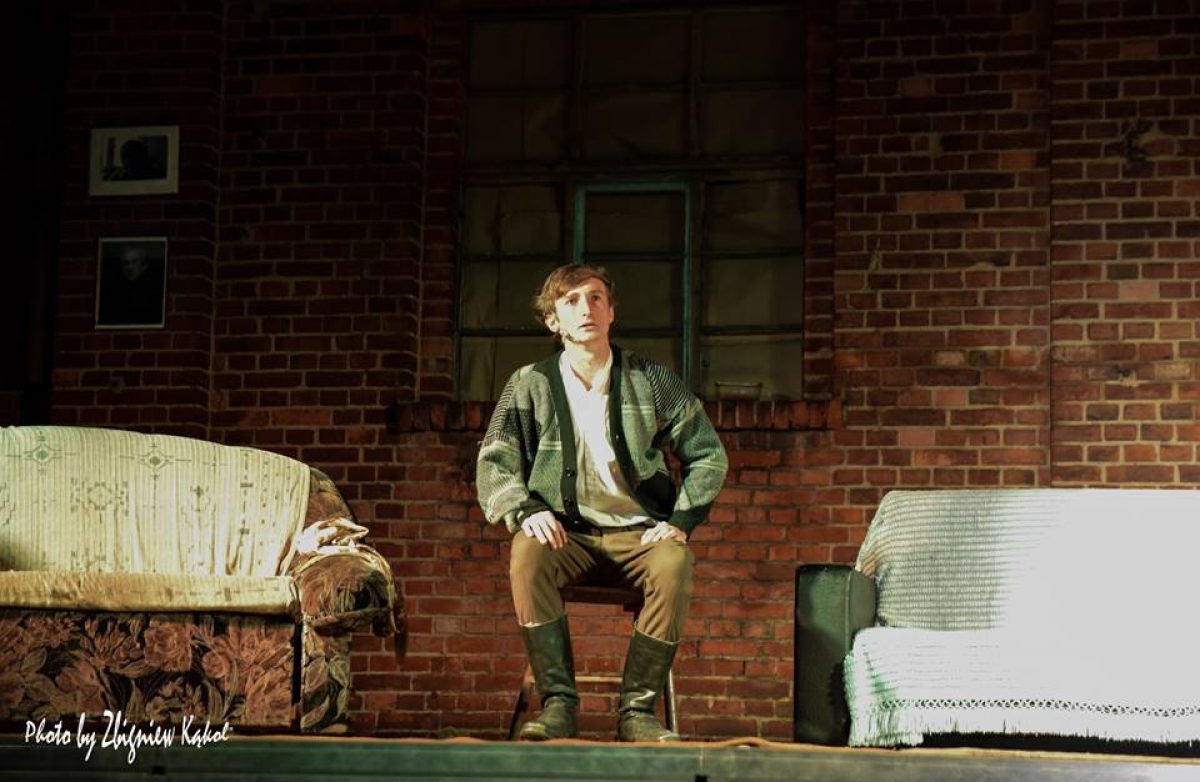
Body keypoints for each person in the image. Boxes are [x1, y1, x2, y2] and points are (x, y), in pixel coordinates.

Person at [476, 263, 728, 742]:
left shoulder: (651, 379)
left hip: (639, 537)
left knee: (674, 561)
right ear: (553, 321)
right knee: (527, 552)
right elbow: (494, 461)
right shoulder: (529, 383)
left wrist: (681, 519)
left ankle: (637, 712)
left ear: (611, 312)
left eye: (595, 298)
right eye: (570, 301)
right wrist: (526, 510)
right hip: (567, 538)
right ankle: (558, 705)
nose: (585, 309)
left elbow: (708, 454)